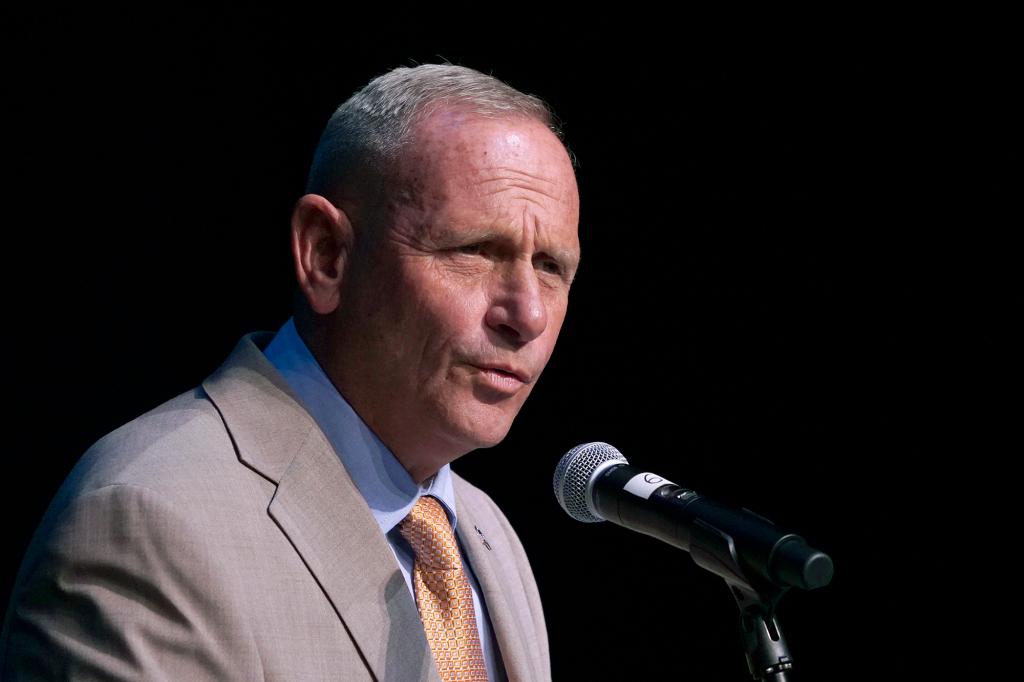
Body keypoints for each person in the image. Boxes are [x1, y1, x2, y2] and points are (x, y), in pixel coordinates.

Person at [0, 63, 580, 681]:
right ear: (326, 255)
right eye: (475, 251)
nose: (528, 314)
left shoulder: (489, 537)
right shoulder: (149, 521)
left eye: (551, 266)